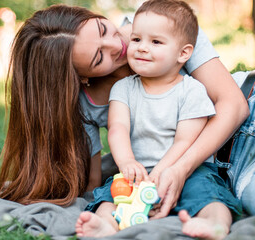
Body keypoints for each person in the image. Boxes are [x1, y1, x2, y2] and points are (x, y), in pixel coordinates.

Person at [0, 1, 253, 216]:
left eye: (103, 28)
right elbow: (92, 185)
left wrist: (178, 169)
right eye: (99, 58)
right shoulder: (86, 104)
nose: (118, 46)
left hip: (246, 122)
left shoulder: (163, 21)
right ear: (81, 77)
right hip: (223, 170)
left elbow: (234, 105)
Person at [75, 1, 242, 239]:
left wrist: (166, 171)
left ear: (183, 53)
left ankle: (214, 224)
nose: (142, 48)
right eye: (136, 40)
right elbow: (117, 129)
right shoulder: (123, 89)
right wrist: (127, 163)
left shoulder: (191, 90)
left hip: (187, 167)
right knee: (110, 196)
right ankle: (105, 225)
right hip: (137, 170)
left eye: (155, 42)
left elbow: (185, 141)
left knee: (208, 194)